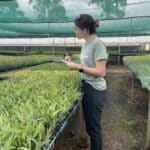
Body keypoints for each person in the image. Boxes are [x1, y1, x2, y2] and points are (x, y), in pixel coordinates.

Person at [64, 14, 108, 150]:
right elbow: (87, 66)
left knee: (93, 129)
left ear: (85, 30)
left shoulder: (98, 44)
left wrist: (79, 67)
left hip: (95, 90)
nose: (74, 31)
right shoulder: (86, 44)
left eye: (76, 29)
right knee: (90, 126)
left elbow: (100, 72)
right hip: (87, 86)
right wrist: (72, 63)